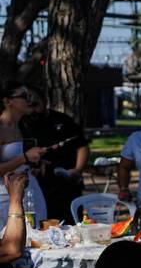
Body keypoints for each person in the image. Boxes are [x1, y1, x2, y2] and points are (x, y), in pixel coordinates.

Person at [19, 86, 89, 223]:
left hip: (65, 183)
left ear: (45, 101)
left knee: (71, 225)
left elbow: (82, 147)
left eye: (35, 105)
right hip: (36, 185)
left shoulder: (63, 120)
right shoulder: (22, 124)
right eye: (29, 106)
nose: (33, 110)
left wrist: (78, 169)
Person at [0, 80, 47, 221]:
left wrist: (35, 163)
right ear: (8, 101)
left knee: (38, 234)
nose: (30, 100)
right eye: (25, 96)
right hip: (6, 195)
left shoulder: (24, 126)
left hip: (30, 189)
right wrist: (24, 158)